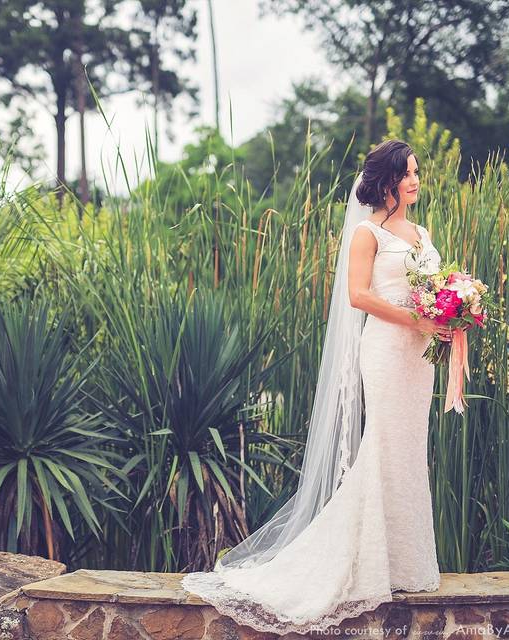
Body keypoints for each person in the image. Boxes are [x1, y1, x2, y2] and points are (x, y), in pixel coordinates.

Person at [181, 139, 450, 635]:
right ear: (387, 180)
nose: (415, 181)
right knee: (384, 444)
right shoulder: (368, 233)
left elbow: (432, 289)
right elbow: (359, 295)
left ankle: (405, 564)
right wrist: (418, 317)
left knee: (410, 449)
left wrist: (449, 309)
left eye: (416, 172)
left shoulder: (422, 231)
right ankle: (359, 562)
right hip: (388, 350)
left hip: (421, 355)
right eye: (407, 174)